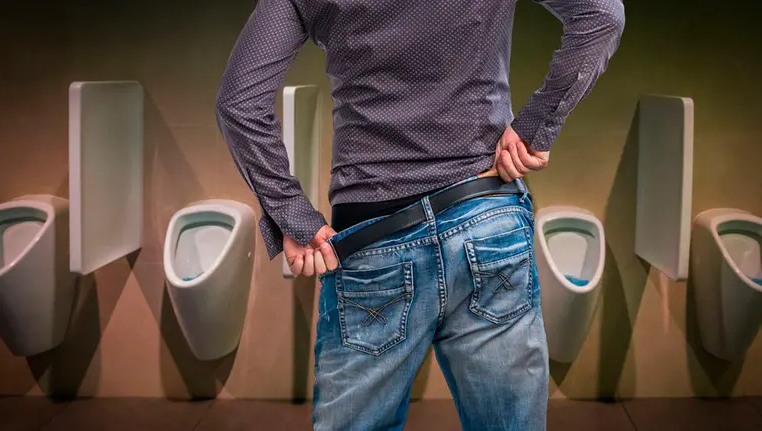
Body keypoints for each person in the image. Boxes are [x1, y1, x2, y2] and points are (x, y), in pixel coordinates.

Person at [216, 0, 624, 429]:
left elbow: (238, 103)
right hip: (487, 222)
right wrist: (534, 128)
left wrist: (293, 216)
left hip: (373, 241)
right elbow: (602, 14)